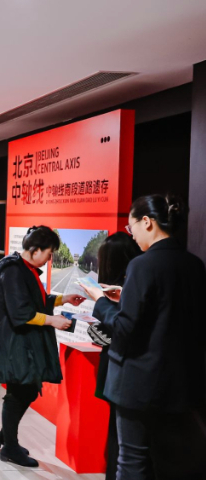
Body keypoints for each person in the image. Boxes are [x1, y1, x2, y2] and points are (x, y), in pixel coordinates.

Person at [81, 195, 206, 480]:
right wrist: (127, 296)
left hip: (138, 383)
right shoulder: (193, 264)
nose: (132, 235)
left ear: (147, 222)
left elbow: (124, 328)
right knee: (168, 461)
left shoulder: (142, 265)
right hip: (181, 382)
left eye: (131, 227)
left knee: (132, 459)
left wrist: (101, 301)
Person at [0, 226, 85, 467]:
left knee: (25, 390)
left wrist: (63, 299)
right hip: (15, 342)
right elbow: (21, 312)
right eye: (49, 253)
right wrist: (53, 320)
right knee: (18, 392)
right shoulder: (13, 271)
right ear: (36, 249)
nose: (50, 258)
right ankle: (9, 447)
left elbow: (36, 301)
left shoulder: (25, 269)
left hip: (22, 341)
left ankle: (5, 437)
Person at [88, 232, 142, 480]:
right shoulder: (134, 280)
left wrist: (102, 307)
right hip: (134, 373)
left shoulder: (131, 283)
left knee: (122, 443)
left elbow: (120, 329)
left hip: (123, 371)